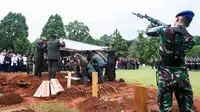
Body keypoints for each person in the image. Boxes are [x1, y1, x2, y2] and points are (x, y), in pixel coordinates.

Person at [146, 10, 195, 112]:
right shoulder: (191, 39)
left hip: (166, 75)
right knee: (187, 109)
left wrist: (152, 23)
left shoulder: (165, 30)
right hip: (182, 76)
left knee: (165, 109)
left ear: (177, 19)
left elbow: (148, 31)